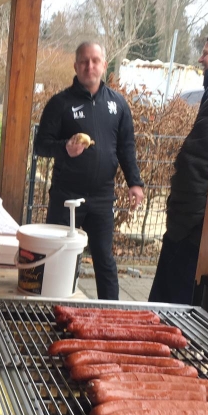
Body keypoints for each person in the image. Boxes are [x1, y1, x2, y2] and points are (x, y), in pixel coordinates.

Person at [34, 42, 144, 300]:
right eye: (84, 61)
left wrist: (135, 182)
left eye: (95, 61)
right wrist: (64, 148)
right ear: (76, 66)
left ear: (104, 65)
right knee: (59, 257)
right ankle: (53, 309)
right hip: (66, 196)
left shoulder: (118, 104)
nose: (89, 66)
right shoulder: (60, 103)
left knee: (104, 260)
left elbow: (126, 147)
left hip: (102, 197)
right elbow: (41, 145)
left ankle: (111, 313)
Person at [148, 34, 208, 305]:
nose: (200, 58)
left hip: (194, 234)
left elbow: (194, 167)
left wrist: (180, 229)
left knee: (169, 308)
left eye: (206, 53)